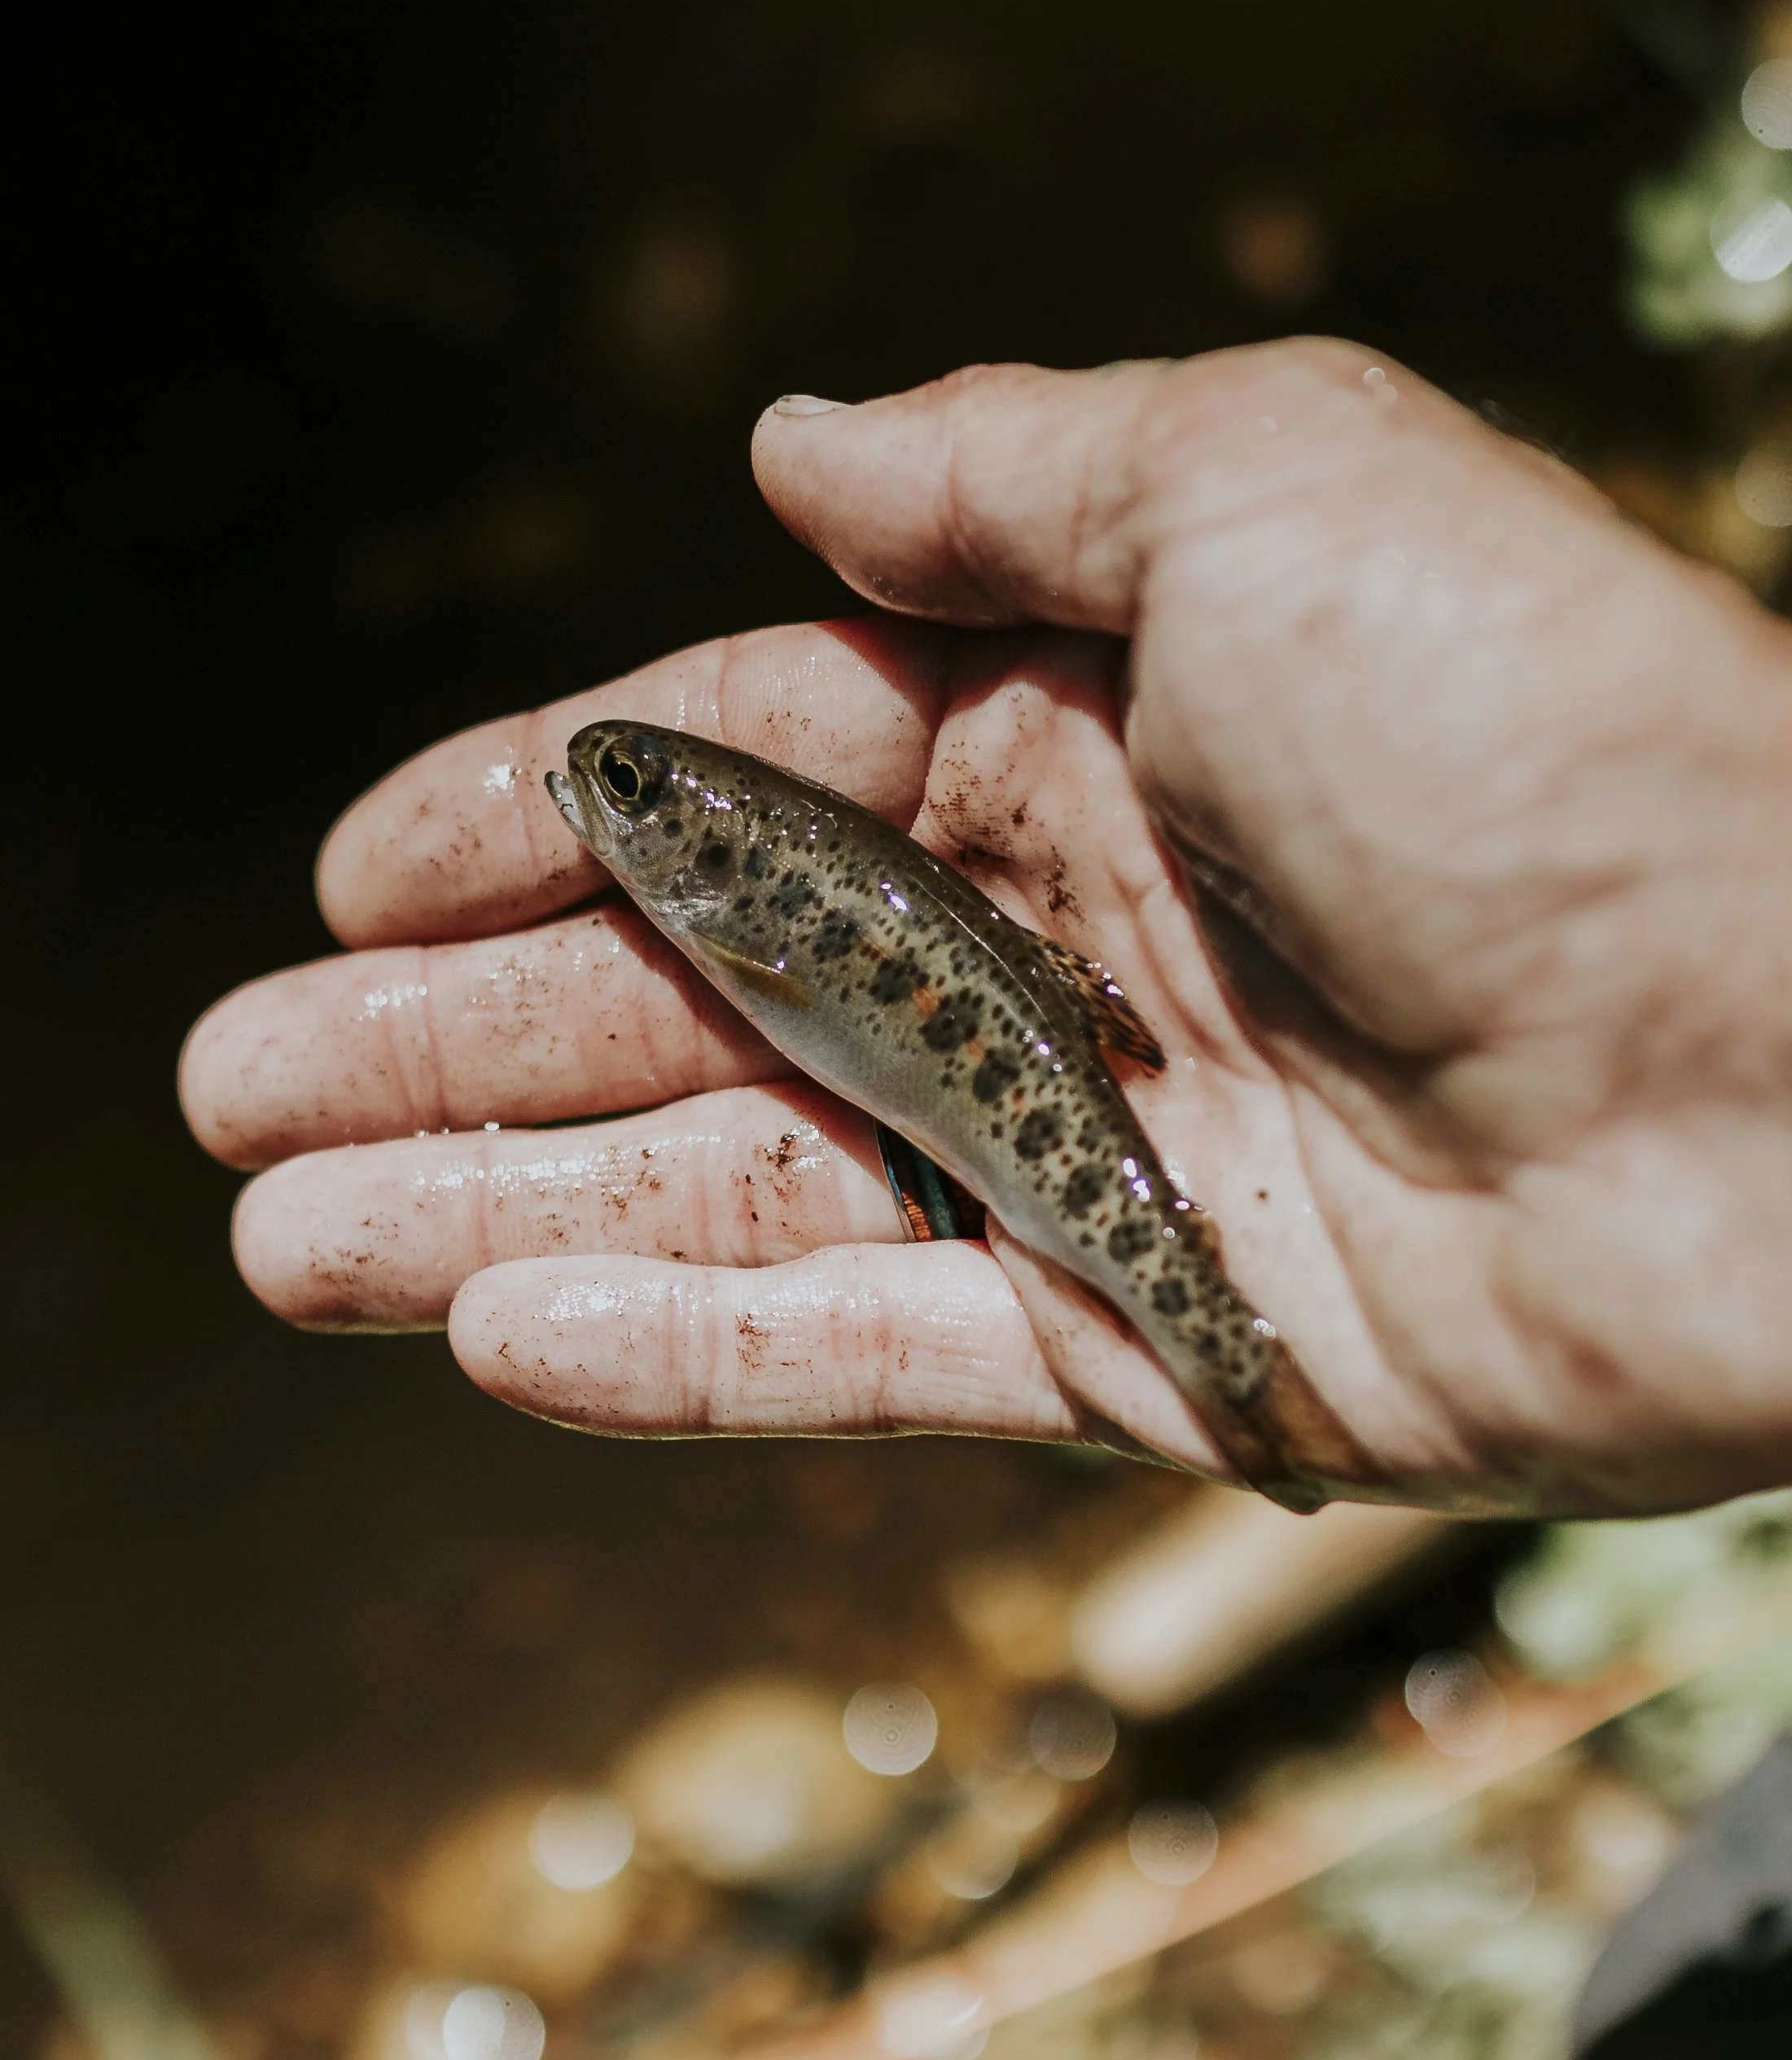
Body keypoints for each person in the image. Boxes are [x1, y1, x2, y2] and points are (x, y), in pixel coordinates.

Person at [180, 340, 1792, 1520]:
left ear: (701, 849)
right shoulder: (737, 897)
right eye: (619, 779)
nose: (596, 789)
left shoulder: (745, 914)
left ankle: (1238, 1378)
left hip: (1042, 1105)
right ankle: (1241, 1379)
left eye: (626, 783)